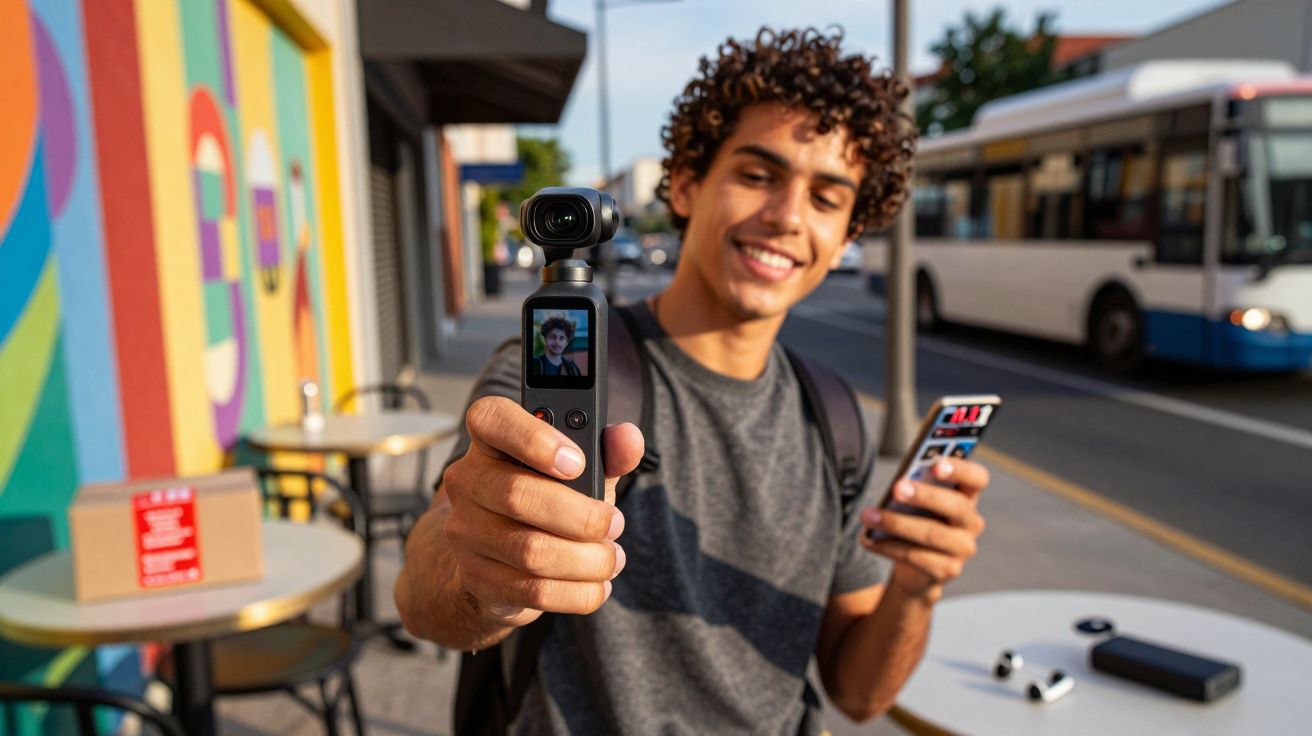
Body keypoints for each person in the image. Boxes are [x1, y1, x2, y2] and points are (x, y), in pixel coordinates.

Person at [396, 26, 991, 733]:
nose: (788, 216)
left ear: (848, 238)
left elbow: (859, 696)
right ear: (685, 183)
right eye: (758, 174)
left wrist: (919, 587)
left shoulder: (833, 416)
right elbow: (425, 587)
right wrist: (483, 576)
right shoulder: (566, 359)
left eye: (827, 198)